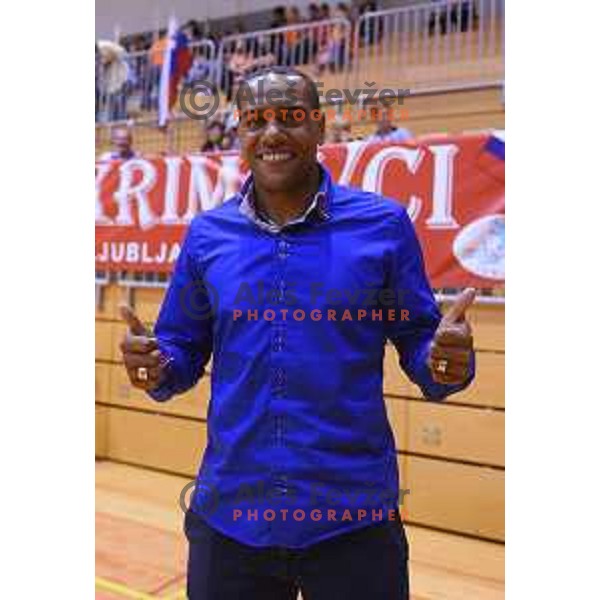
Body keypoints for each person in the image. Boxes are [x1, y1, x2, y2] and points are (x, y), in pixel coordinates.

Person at [119, 65, 476, 600]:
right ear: (240, 133)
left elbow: (424, 351)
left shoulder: (382, 225)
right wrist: (156, 364)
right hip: (230, 521)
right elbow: (181, 352)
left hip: (353, 524)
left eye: (289, 118)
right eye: (255, 120)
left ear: (318, 126)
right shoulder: (207, 235)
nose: (271, 133)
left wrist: (445, 362)